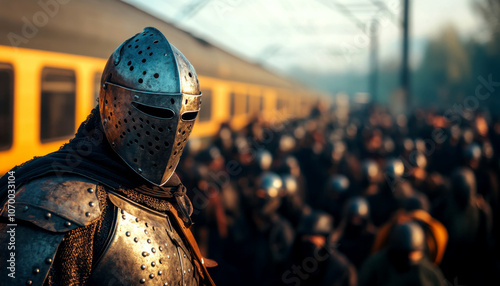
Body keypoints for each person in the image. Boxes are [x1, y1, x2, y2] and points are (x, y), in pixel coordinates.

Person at [0, 27, 215, 286]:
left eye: (187, 116)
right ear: (110, 101)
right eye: (153, 111)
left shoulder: (169, 195)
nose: (168, 131)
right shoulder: (57, 205)